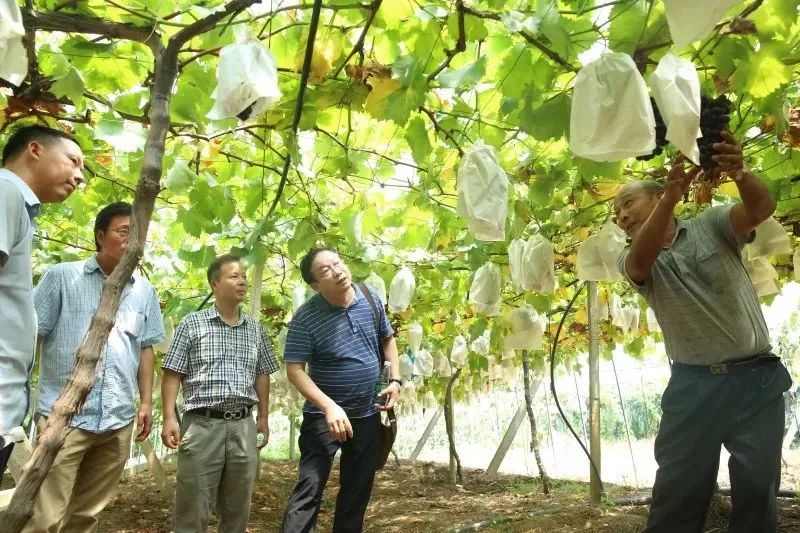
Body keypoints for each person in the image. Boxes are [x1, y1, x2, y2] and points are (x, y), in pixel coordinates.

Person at [614, 131, 792, 533]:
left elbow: (761, 207)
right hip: (693, 387)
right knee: (678, 493)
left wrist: (739, 171)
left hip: (757, 380)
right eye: (617, 216)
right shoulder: (631, 258)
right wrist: (670, 202)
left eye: (627, 203)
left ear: (657, 194)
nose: (621, 216)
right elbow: (642, 261)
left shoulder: (712, 225)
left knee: (757, 492)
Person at [23, 201, 164, 532]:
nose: (133, 241)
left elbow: (145, 349)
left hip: (117, 421)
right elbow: (30, 337)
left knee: (86, 517)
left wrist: (145, 402)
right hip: (65, 419)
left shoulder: (145, 290)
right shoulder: (61, 278)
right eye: (124, 232)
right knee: (45, 518)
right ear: (101, 236)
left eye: (138, 234)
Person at [280, 248, 401, 533]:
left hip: (367, 413)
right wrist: (328, 407)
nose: (337, 271)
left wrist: (395, 380)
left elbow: (388, 340)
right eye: (325, 270)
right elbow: (294, 370)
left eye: (337, 263)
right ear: (315, 285)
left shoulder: (369, 297)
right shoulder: (305, 318)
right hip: (324, 417)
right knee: (309, 489)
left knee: (356, 492)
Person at [161, 254, 279, 533]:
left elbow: (262, 374)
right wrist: (168, 418)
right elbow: (172, 374)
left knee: (237, 509)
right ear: (215, 283)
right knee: (193, 509)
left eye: (244, 277)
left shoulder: (255, 328)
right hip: (202, 426)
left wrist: (263, 417)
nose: (242, 282)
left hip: (243, 426)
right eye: (234, 276)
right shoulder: (192, 324)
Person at [0, 125, 84, 479]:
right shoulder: (5, 191)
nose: (79, 176)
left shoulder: (15, 201)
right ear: (34, 150)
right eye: (73, 161)